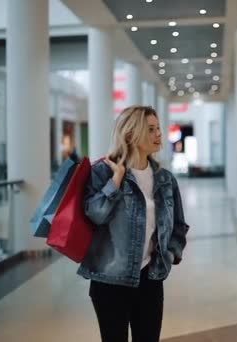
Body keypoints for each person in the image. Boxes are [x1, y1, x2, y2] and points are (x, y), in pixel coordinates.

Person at [77, 106, 190, 342]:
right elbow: (94, 215)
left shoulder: (165, 179)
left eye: (158, 128)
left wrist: (169, 255)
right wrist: (115, 182)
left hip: (151, 279)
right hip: (109, 280)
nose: (158, 133)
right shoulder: (103, 173)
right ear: (130, 135)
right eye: (150, 129)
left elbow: (178, 226)